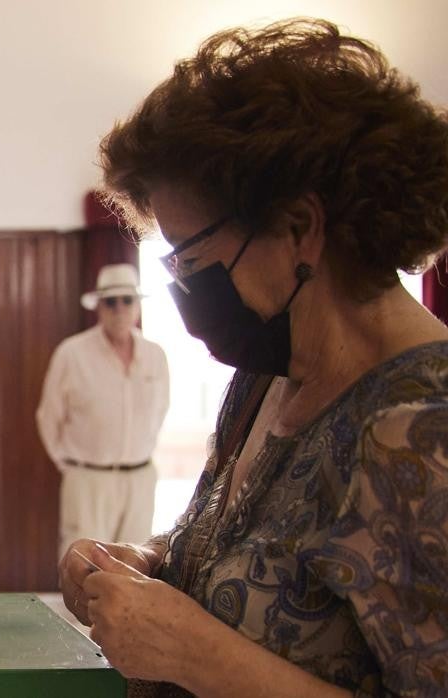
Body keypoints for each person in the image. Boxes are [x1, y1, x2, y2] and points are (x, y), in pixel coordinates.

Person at [58, 18, 448, 697]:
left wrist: (197, 654)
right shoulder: (266, 377)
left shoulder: (420, 430)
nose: (181, 289)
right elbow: (226, 551)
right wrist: (150, 564)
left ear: (299, 227)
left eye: (193, 261)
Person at [37, 263, 170, 561]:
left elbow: (161, 409)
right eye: (111, 301)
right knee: (83, 566)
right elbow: (49, 416)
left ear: (137, 305)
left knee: (135, 565)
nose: (119, 309)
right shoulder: (72, 353)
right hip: (87, 479)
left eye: (127, 300)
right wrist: (70, 463)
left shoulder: (155, 356)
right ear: (99, 306)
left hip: (140, 478)